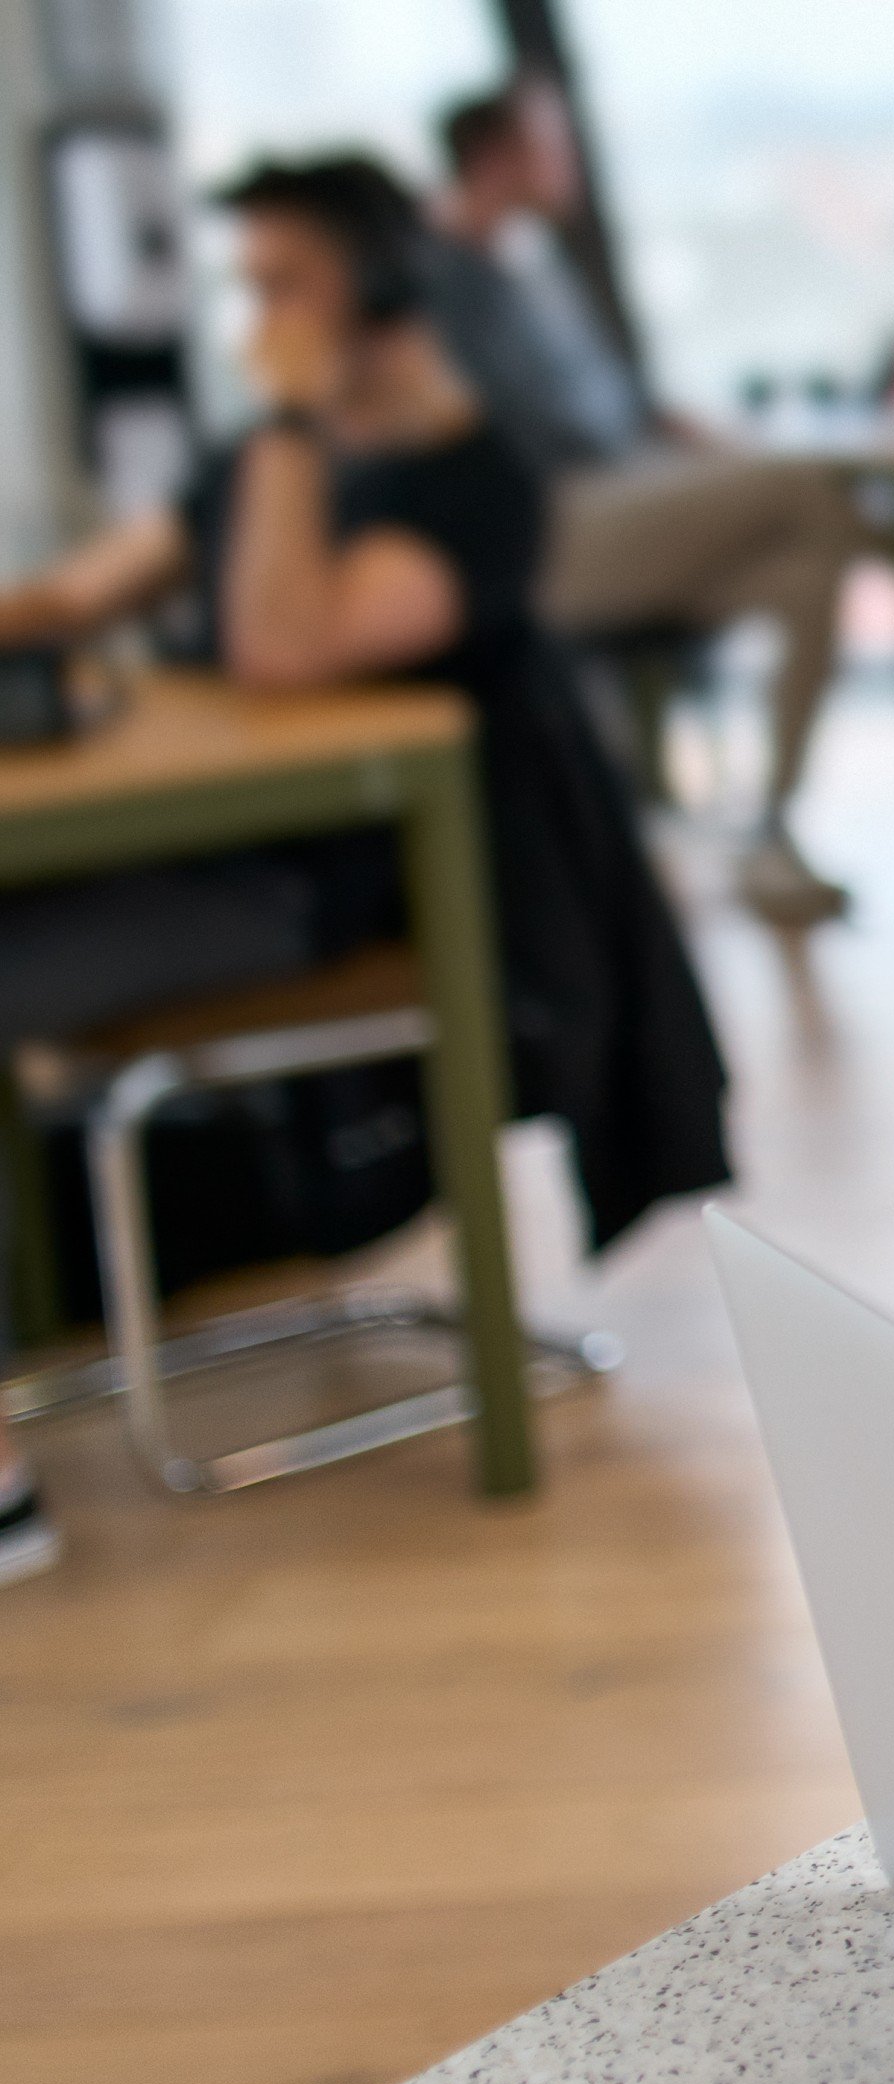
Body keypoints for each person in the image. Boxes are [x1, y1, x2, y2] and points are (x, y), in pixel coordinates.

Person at [0, 156, 731, 1302]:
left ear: (385, 288)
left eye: (285, 286)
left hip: (310, 893)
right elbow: (72, 598)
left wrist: (290, 415)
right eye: (249, 291)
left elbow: (283, 651)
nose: (258, 324)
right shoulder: (259, 464)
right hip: (181, 853)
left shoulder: (467, 483)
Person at [423, 77, 861, 926]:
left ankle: (770, 837)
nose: (568, 164)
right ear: (495, 158)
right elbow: (530, 439)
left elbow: (620, 402)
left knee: (809, 575)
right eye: (551, 145)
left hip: (628, 501)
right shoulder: (443, 279)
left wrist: (702, 443)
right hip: (556, 533)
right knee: (811, 487)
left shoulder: (533, 263)